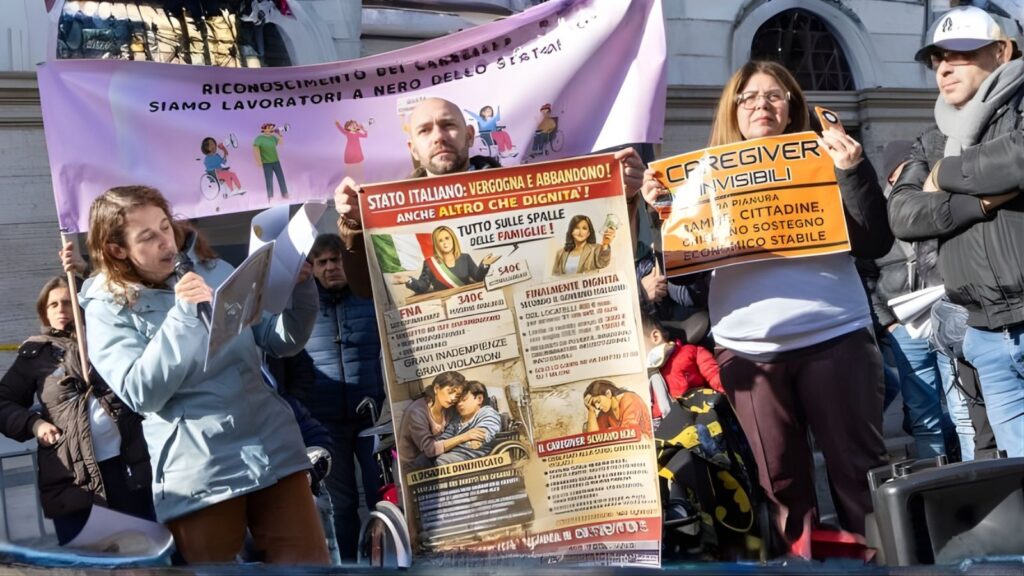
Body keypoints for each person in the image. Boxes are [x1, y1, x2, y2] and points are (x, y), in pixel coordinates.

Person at [641, 60, 892, 553]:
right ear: (732, 109)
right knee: (780, 486)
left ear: (793, 107)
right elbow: (689, 283)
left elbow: (874, 241)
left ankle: (882, 562)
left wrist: (853, 172)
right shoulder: (697, 180)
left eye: (775, 95)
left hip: (835, 337)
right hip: (746, 352)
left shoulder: (826, 158)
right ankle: (801, 565)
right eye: (749, 97)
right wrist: (665, 219)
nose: (761, 105)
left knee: (860, 476)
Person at [79, 185, 328, 564]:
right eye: (147, 236)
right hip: (201, 470)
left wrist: (301, 287)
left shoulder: (214, 269)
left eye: (165, 226)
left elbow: (279, 342)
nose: (166, 242)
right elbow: (140, 392)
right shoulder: (105, 308)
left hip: (274, 448)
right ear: (117, 250)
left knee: (309, 565)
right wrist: (181, 316)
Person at [888, 5, 1024, 458]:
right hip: (982, 331)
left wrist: (944, 173)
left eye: (961, 54)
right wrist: (980, 199)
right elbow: (905, 214)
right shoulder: (930, 138)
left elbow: (1018, 158)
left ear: (1002, 51)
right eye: (937, 58)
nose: (944, 67)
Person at [333, 97, 646, 249]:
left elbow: (586, 247)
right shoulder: (387, 214)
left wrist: (624, 197)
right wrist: (354, 224)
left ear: (470, 135)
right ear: (413, 149)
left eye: (448, 125)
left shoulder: (520, 194)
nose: (439, 136)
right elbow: (365, 289)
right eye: (425, 130)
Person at [0, 271, 155, 546]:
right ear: (44, 313)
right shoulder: (35, 356)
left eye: (68, 302)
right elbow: (3, 402)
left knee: (145, 560)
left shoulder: (108, 337)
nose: (61, 310)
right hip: (73, 481)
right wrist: (34, 424)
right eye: (53, 304)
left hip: (128, 471)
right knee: (88, 565)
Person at [267, 233, 385, 563]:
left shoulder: (369, 298)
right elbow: (288, 364)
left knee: (383, 497)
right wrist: (301, 405)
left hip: (371, 418)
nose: (332, 267)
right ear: (313, 268)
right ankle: (348, 567)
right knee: (342, 504)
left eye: (338, 260)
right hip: (325, 423)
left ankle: (391, 562)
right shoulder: (299, 309)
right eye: (323, 262)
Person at [396, 371, 480, 470]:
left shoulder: (449, 409)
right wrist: (465, 437)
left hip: (435, 461)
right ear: (436, 388)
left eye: (457, 395)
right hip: (412, 466)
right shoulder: (416, 412)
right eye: (450, 392)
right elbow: (430, 449)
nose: (453, 398)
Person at [392, 225, 498, 294]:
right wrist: (408, 280)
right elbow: (423, 286)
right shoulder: (430, 263)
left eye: (447, 238)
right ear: (437, 244)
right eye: (440, 240)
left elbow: (477, 277)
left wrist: (484, 265)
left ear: (453, 239)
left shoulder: (465, 258)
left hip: (467, 304)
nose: (445, 243)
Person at [643, 314, 723, 398]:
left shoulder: (688, 353)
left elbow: (714, 376)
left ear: (656, 337)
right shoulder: (644, 383)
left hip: (706, 405)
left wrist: (728, 390)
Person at [434, 381, 502, 465]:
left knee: (441, 461)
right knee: (423, 460)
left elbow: (482, 435)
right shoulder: (456, 421)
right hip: (454, 455)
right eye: (457, 401)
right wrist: (463, 438)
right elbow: (441, 442)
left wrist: (451, 444)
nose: (459, 404)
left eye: (464, 400)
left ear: (479, 399)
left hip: (474, 458)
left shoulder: (486, 412)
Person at [583, 379, 652, 438]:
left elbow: (628, 435)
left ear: (608, 393)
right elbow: (594, 437)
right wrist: (591, 410)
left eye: (598, 401)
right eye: (594, 405)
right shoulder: (605, 411)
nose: (597, 407)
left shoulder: (630, 400)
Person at [253, 122, 288, 199]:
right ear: (264, 129)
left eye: (271, 128)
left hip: (276, 161)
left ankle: (285, 193)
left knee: (281, 177)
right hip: (266, 163)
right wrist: (258, 160)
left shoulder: (273, 137)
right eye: (269, 128)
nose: (271, 129)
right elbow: (255, 149)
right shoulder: (259, 138)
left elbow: (281, 143)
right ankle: (270, 196)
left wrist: (279, 135)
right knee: (269, 179)